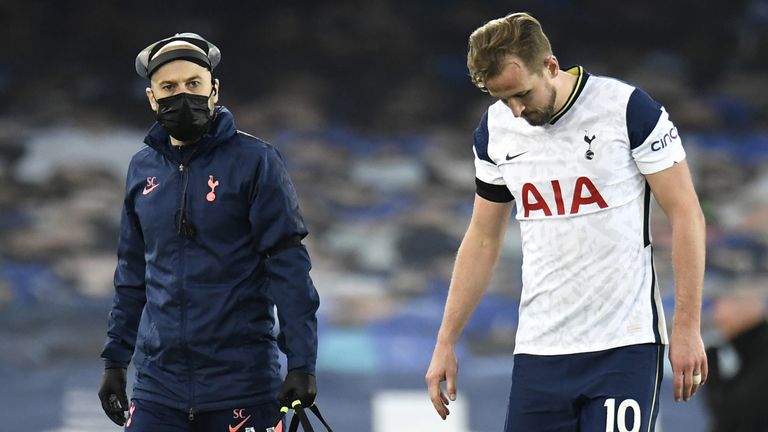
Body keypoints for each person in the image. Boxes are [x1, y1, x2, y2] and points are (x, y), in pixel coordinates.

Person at [425, 12, 708, 431]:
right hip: (539, 350)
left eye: (521, 94)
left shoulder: (627, 110)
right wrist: (445, 341)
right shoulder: (495, 131)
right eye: (503, 99)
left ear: (551, 66)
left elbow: (686, 214)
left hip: (623, 345)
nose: (516, 111)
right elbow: (483, 238)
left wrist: (687, 327)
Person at [97, 33, 321, 431]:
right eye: (169, 87)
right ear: (151, 97)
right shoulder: (141, 168)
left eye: (193, 85)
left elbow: (288, 268)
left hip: (244, 385)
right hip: (157, 386)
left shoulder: (257, 161)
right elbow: (131, 274)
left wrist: (301, 363)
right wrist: (115, 361)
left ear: (214, 90)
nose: (182, 95)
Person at [704, 284, 768, 431]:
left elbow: (731, 414)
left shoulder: (760, 352)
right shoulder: (748, 350)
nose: (716, 315)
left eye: (719, 304)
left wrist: (710, 365)